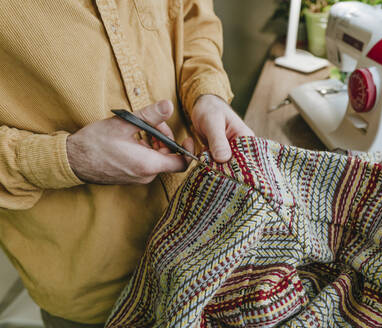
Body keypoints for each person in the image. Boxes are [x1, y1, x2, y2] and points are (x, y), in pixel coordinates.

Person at [0, 1, 253, 327]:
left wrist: (206, 92)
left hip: (214, 248)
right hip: (96, 296)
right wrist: (68, 158)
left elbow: (192, 16)